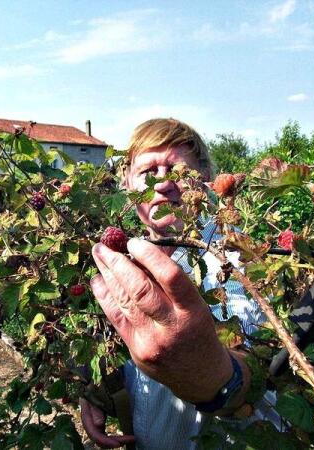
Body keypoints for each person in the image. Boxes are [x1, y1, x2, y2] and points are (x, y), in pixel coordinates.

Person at [82, 118, 279, 449]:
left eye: (177, 171)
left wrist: (220, 382)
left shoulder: (231, 258)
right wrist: (99, 392)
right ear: (127, 184)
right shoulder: (129, 261)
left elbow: (254, 353)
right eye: (149, 172)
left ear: (202, 180)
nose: (163, 184)